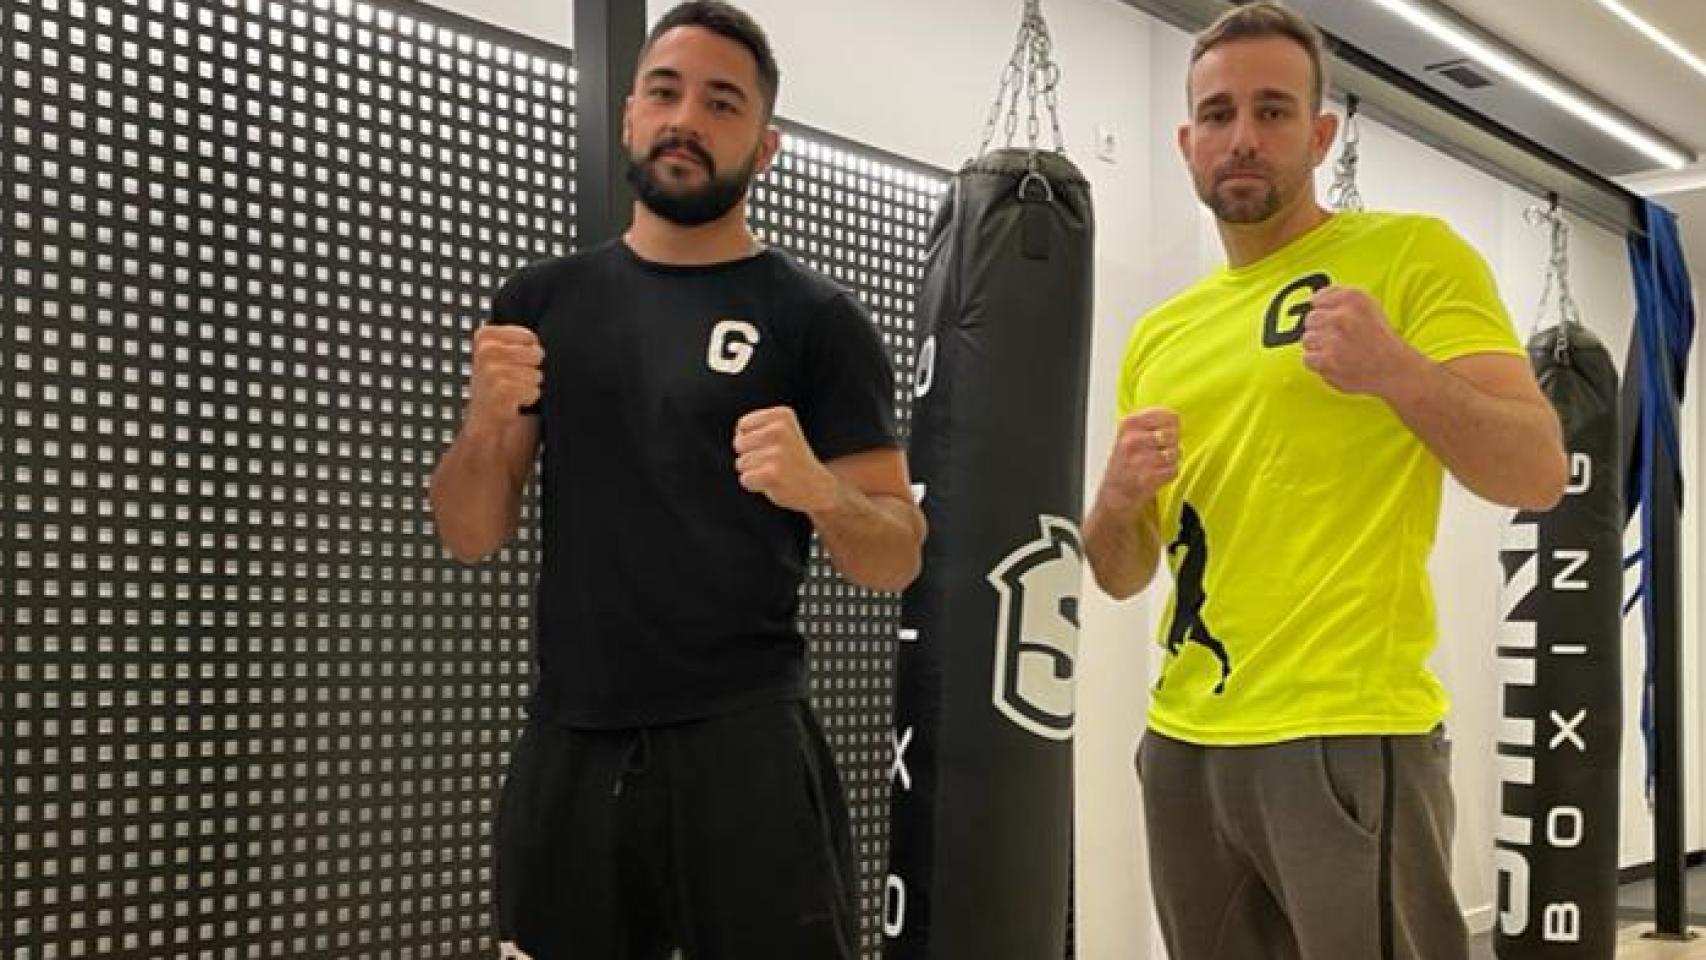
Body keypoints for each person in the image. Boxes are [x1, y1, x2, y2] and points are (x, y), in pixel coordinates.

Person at [428, 3, 926, 957]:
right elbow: (470, 531)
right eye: (665, 92)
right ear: (628, 115)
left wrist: (821, 491)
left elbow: (896, 555)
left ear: (765, 146)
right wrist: (485, 425)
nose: (686, 119)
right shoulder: (540, 304)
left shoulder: (816, 319)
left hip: (743, 745)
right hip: (569, 739)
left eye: (722, 102)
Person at [1082, 3, 1568, 957]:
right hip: (1185, 743)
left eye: (1273, 111)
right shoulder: (1162, 334)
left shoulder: (1408, 257)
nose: (1244, 138)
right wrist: (1115, 502)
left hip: (1345, 732)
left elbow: (1539, 471)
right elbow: (1121, 573)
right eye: (1218, 115)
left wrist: (1397, 371)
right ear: (1187, 142)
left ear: (1320, 132)